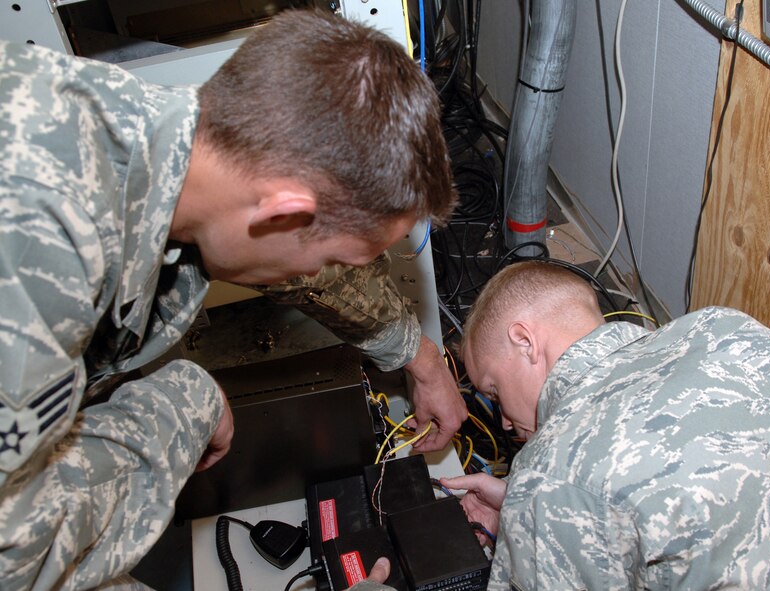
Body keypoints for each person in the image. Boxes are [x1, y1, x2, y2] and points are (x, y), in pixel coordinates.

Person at [0, 9, 464, 589]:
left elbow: (295, 267)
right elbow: (19, 554)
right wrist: (184, 405)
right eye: (335, 257)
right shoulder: (37, 245)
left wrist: (419, 356)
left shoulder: (168, 137)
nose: (323, 273)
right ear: (280, 215)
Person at [435, 261, 770, 590]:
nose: (504, 421)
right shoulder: (727, 330)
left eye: (495, 391)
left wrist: (535, 506)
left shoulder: (552, 472)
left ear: (526, 341)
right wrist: (526, 511)